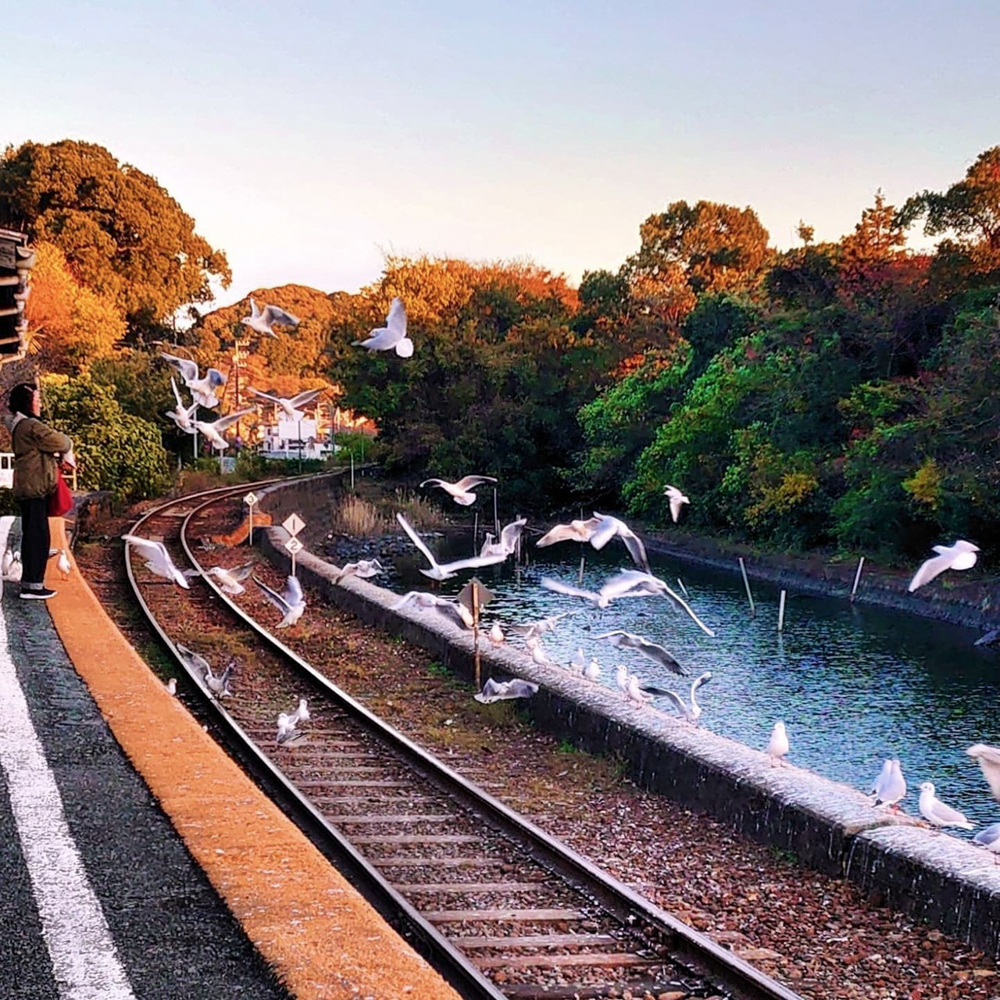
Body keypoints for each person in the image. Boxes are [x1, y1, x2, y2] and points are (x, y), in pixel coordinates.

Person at [6, 383, 74, 599]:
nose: (40, 403)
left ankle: (31, 582)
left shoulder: (20, 425)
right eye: (37, 399)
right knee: (38, 537)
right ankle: (33, 586)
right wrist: (67, 447)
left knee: (34, 535)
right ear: (28, 403)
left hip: (29, 487)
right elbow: (61, 441)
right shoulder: (30, 426)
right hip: (34, 488)